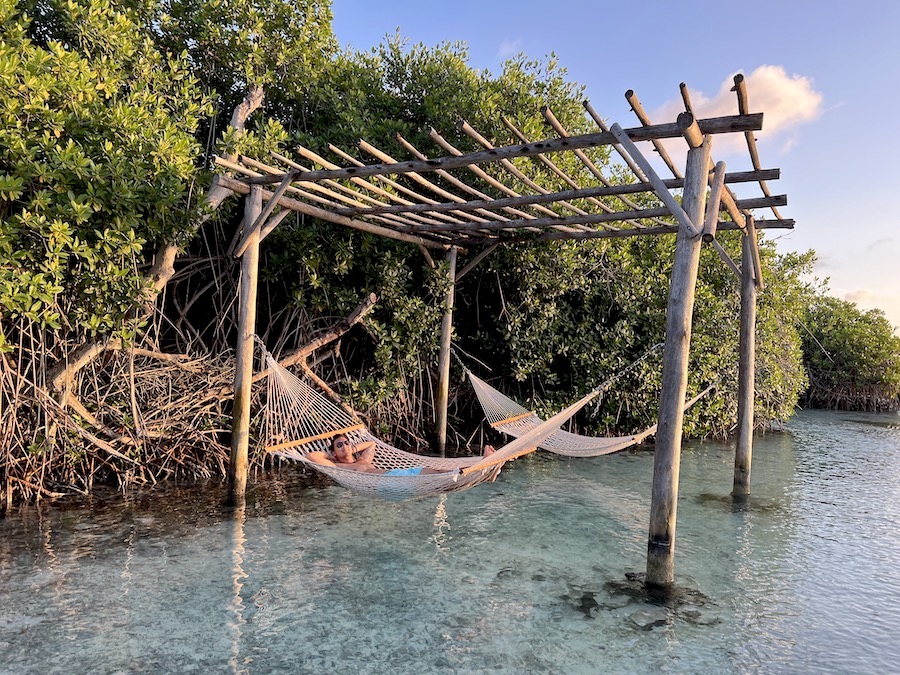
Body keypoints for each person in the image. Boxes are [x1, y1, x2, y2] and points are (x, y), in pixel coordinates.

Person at [306, 434, 497, 475]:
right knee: (441, 476)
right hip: (390, 483)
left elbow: (371, 443)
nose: (345, 446)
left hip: (396, 477)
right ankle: (483, 465)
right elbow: (311, 456)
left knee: (441, 474)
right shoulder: (339, 466)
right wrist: (329, 455)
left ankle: (483, 469)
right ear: (333, 451)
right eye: (340, 445)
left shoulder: (363, 459)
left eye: (347, 442)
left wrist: (353, 449)